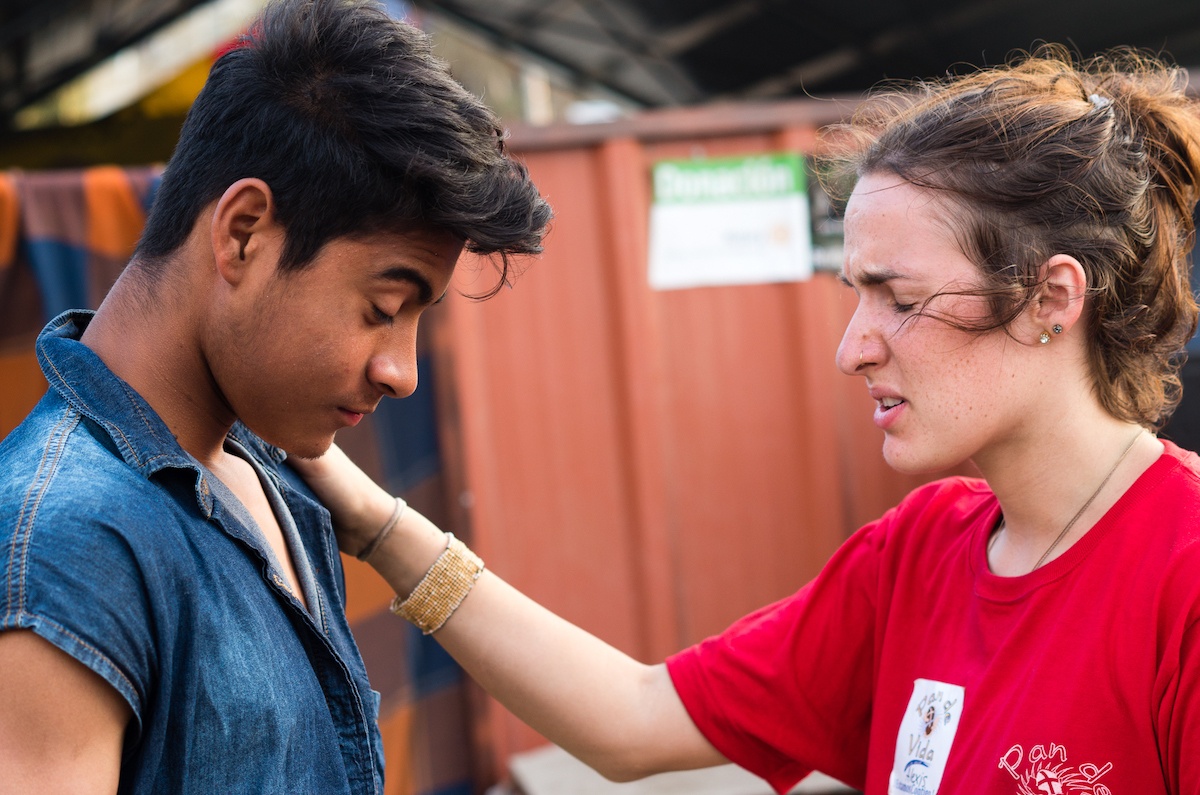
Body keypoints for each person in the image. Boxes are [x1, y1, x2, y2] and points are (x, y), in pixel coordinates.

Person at [291, 46, 1200, 794]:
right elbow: (633, 720)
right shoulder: (918, 555)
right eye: (856, 294)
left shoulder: (1182, 569)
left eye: (899, 298)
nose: (853, 348)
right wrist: (372, 520)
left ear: (1051, 297)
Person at [0, 0, 549, 791]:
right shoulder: (64, 544)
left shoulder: (269, 472)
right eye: (384, 310)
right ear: (245, 231)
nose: (403, 371)